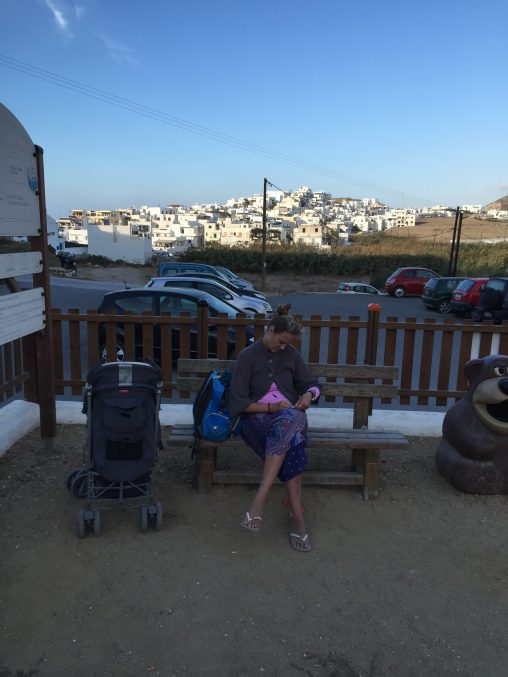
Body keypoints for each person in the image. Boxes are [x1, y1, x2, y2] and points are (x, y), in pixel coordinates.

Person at [228, 304, 320, 552]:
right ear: (270, 330)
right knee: (294, 441)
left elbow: (311, 383)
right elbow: (238, 402)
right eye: (281, 341)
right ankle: (297, 518)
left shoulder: (291, 354)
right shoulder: (247, 356)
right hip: (256, 421)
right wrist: (271, 408)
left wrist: (308, 396)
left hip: (289, 417)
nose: (283, 348)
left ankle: (259, 502)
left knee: (291, 419)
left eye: (287, 344)